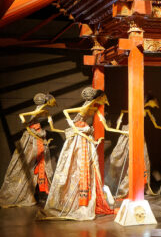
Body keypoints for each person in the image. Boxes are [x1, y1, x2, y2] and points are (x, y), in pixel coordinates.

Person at [39, 87, 124, 221]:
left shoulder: (95, 108)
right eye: (103, 98)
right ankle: (75, 202)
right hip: (80, 137)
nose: (104, 100)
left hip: (85, 137)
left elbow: (106, 127)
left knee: (88, 166)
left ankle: (85, 201)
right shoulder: (88, 106)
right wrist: (76, 128)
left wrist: (123, 132)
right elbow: (66, 112)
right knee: (77, 166)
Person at [0, 93, 60, 208]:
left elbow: (50, 127)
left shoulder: (43, 111)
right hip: (33, 140)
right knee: (29, 165)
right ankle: (22, 194)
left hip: (37, 138)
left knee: (40, 166)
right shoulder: (39, 110)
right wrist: (32, 131)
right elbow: (24, 118)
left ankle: (38, 195)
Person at [108, 94, 161, 198]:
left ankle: (142, 186)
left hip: (139, 134)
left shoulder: (147, 111)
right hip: (128, 134)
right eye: (154, 102)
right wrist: (122, 131)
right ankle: (124, 188)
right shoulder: (130, 109)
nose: (155, 105)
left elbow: (156, 125)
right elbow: (119, 124)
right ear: (150, 100)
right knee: (124, 159)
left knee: (143, 160)